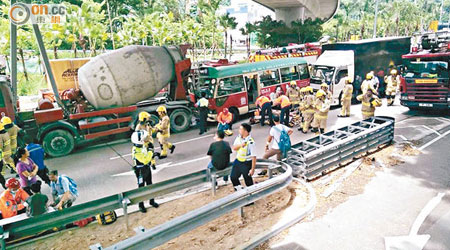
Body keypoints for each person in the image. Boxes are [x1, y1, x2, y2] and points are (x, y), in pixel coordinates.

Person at [131, 130, 159, 213]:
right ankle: (141, 205)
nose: (145, 139)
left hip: (146, 168)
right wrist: (150, 151)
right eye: (144, 138)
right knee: (141, 188)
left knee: (150, 184)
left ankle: (151, 201)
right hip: (140, 170)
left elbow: (146, 155)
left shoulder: (141, 146)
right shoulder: (136, 150)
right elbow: (145, 160)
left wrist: (151, 153)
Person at [230, 123, 256, 191]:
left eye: (240, 129)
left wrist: (252, 169)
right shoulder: (238, 138)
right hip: (238, 161)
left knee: (248, 180)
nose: (239, 130)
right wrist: (241, 145)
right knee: (233, 177)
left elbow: (253, 156)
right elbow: (234, 148)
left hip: (246, 163)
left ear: (245, 131)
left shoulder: (251, 142)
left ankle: (251, 197)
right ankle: (239, 191)